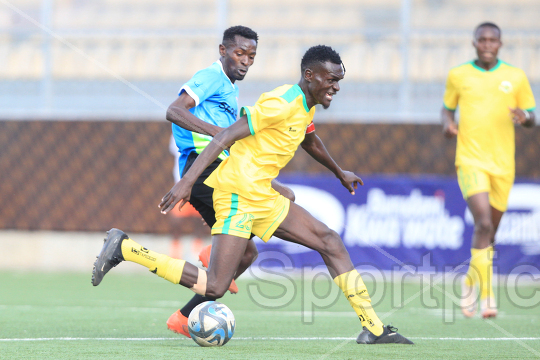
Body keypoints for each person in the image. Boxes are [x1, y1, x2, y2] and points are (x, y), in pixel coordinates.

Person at [93, 45, 412, 344]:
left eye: (339, 81)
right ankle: (127, 249)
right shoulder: (281, 103)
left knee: (329, 242)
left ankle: (373, 328)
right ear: (310, 76)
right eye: (331, 80)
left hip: (261, 194)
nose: (336, 87)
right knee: (216, 285)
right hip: (237, 195)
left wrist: (339, 172)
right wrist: (186, 182)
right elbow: (226, 137)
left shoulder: (305, 106)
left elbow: (309, 140)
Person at [164, 25, 295, 337]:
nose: (246, 60)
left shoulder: (230, 90)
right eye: (239, 53)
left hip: (221, 171)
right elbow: (173, 110)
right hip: (204, 170)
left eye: (251, 55)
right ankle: (213, 257)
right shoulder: (212, 77)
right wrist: (217, 136)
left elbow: (234, 150)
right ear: (222, 51)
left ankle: (183, 317)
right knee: (241, 249)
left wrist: (275, 185)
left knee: (248, 255)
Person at [441, 22, 536, 319]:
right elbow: (447, 108)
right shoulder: (458, 75)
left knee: (490, 231)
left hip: (503, 165)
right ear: (474, 43)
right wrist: (447, 124)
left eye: (492, 40)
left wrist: (526, 117)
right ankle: (488, 297)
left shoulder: (515, 77)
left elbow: (532, 117)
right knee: (482, 223)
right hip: (470, 160)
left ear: (500, 44)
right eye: (481, 39)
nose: (486, 44)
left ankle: (468, 283)